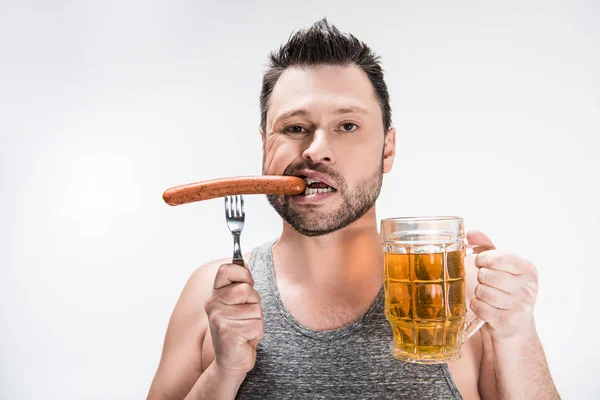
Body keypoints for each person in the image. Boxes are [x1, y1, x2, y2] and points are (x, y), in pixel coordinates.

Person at [147, 18, 560, 400]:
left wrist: (517, 333)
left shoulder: (464, 291)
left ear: (388, 149)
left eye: (347, 126)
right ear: (264, 146)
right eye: (294, 128)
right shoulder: (209, 293)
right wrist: (224, 370)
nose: (317, 150)